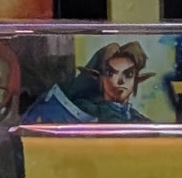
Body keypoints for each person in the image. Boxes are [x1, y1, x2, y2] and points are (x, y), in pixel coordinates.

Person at [22, 41, 150, 124]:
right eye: (111, 73)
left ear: (136, 79)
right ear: (98, 77)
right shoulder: (87, 108)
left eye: (128, 74)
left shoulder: (137, 118)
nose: (121, 81)